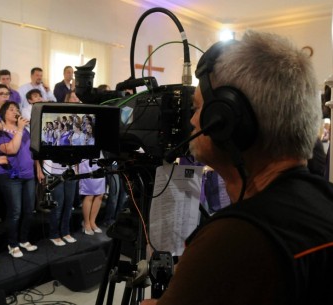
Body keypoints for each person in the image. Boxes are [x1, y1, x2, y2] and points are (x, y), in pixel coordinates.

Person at [141, 31, 333, 305]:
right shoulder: (326, 199)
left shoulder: (234, 240)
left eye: (197, 108)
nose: (193, 122)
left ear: (227, 120)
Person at [0, 101, 43, 256]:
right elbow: (11, 149)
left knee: (29, 210)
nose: (15, 111)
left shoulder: (25, 131)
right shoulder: (1, 133)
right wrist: (20, 129)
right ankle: (12, 243)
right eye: (11, 109)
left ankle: (23, 239)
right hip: (11, 176)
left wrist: (38, 168)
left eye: (16, 109)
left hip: (28, 175)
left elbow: (33, 151)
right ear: (4, 114)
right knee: (15, 211)